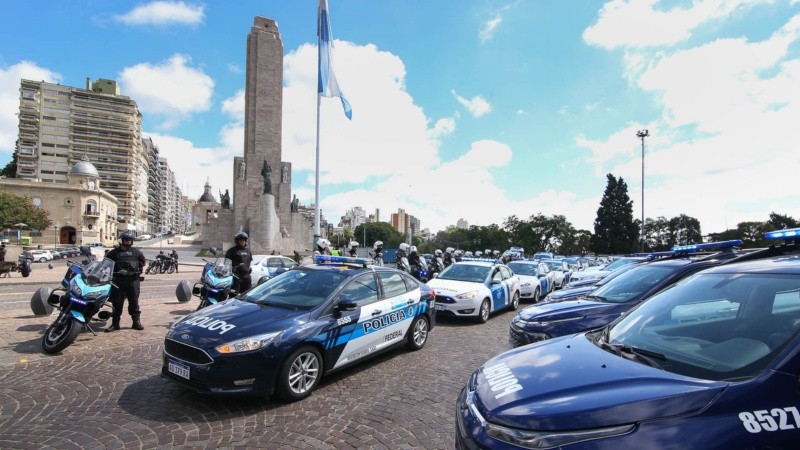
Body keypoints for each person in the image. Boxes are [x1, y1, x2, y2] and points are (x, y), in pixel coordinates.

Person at [104, 231, 147, 332]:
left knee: (134, 302)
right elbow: (106, 265)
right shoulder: (113, 253)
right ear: (122, 240)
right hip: (118, 281)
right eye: (126, 240)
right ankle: (115, 324)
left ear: (132, 241)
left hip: (133, 281)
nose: (128, 241)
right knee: (117, 303)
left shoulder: (136, 252)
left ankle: (136, 322)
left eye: (130, 240)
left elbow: (143, 262)